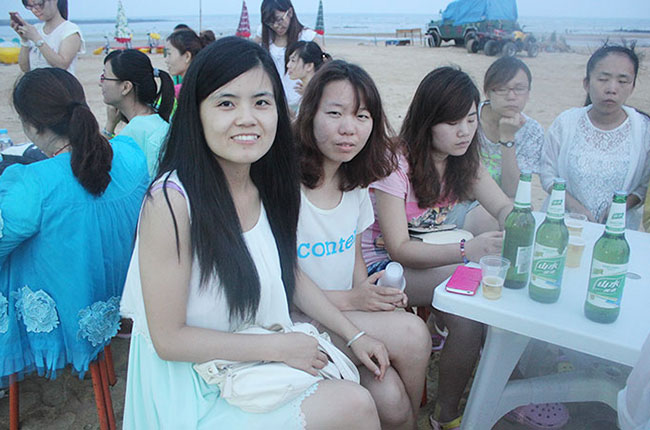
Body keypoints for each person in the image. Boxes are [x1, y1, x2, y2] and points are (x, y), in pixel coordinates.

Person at [120, 36, 389, 429]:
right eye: (226, 103)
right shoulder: (172, 201)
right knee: (356, 405)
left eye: (261, 102)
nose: (247, 118)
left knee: (372, 393)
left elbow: (286, 271)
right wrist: (278, 348)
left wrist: (354, 335)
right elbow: (168, 339)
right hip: (193, 390)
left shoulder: (264, 183)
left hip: (251, 364)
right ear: (196, 112)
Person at [361, 67, 513, 430]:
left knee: (472, 310)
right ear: (428, 120)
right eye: (452, 122)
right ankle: (446, 415)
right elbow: (398, 248)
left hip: (429, 249)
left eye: (471, 119)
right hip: (380, 266)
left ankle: (446, 412)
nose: (464, 132)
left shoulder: (465, 159)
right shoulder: (396, 162)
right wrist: (468, 250)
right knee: (471, 298)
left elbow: (502, 206)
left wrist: (514, 220)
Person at [294, 59, 432, 429]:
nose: (348, 128)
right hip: (296, 323)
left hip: (342, 317)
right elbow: (281, 285)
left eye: (362, 116)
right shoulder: (286, 188)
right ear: (310, 114)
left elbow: (354, 258)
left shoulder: (353, 184)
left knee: (392, 400)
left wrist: (369, 296)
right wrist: (354, 301)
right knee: (412, 333)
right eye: (335, 113)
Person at [0, 68, 148, 387]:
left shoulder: (33, 183)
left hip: (69, 307)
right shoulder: (130, 155)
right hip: (122, 295)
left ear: (32, 126)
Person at [540, 44, 650, 229]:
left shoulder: (644, 130)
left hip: (617, 230)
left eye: (622, 81)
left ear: (632, 87)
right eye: (603, 79)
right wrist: (575, 208)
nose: (612, 89)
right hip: (563, 225)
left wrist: (620, 207)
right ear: (587, 83)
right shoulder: (566, 123)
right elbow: (547, 174)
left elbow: (644, 186)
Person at [101, 49, 175, 178]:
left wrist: (109, 128)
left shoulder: (133, 134)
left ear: (126, 87)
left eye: (104, 77)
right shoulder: (155, 121)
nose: (100, 83)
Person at [478, 56, 545, 197]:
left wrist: (507, 137)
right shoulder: (470, 119)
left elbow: (513, 192)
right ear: (487, 92)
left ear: (528, 93)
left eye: (519, 89)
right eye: (502, 89)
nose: (511, 96)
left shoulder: (532, 131)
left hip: (503, 202)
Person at [256, 0, 322, 111]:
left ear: (290, 12)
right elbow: (251, 55)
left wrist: (311, 90)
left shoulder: (306, 36)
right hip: (273, 99)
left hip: (299, 100)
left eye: (279, 20)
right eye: (270, 22)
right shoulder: (264, 33)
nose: (276, 26)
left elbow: (323, 65)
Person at [10, 0, 84, 75]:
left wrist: (36, 38)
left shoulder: (70, 30)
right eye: (30, 6)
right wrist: (24, 40)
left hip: (60, 82)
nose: (34, 10)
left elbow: (62, 65)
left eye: (39, 4)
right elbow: (25, 68)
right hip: (35, 81)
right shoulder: (35, 29)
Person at [165, 28, 212, 98]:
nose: (166, 60)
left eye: (169, 54)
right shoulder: (207, 85)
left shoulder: (179, 93)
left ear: (187, 56)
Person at [286, 41, 331, 110]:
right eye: (289, 60)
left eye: (293, 61)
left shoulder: (320, 93)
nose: (288, 65)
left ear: (309, 66)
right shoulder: (308, 91)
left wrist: (309, 96)